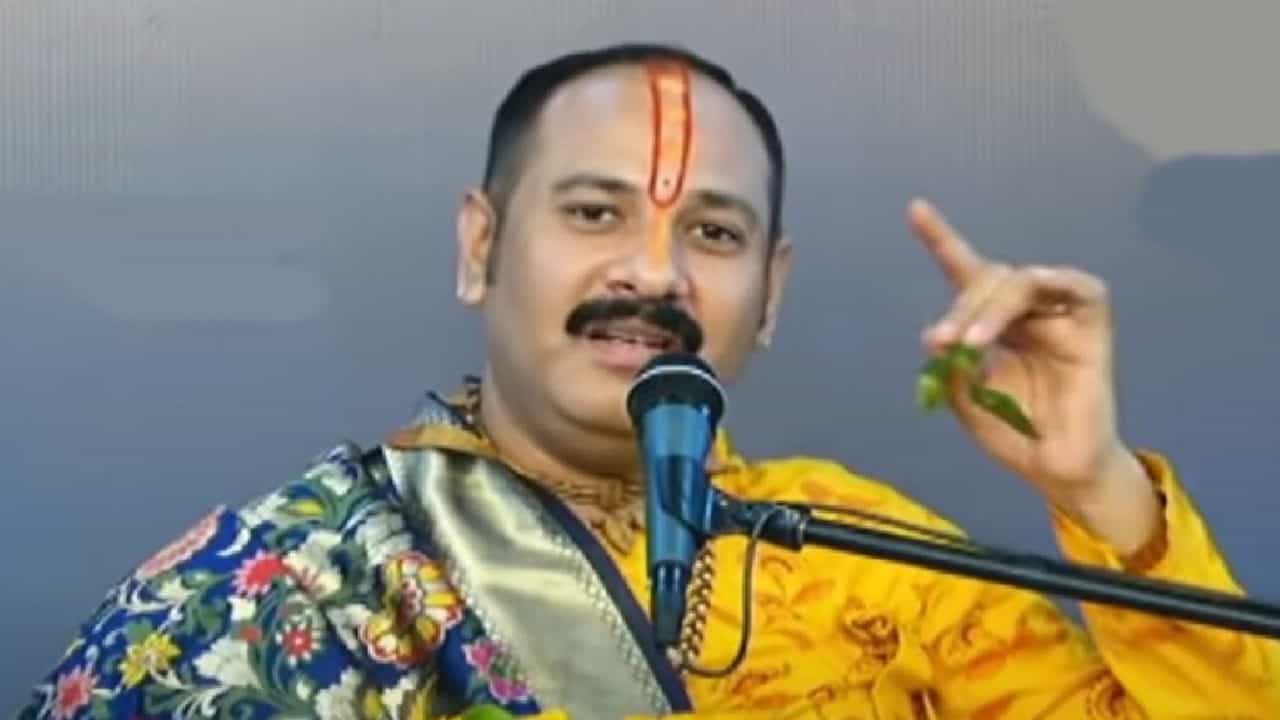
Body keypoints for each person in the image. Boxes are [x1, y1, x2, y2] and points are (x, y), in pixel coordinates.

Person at [15, 43, 1278, 720]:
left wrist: (1099, 491)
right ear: (479, 246)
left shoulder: (876, 558)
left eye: (713, 234)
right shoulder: (291, 580)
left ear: (769, 291)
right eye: (592, 211)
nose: (654, 272)